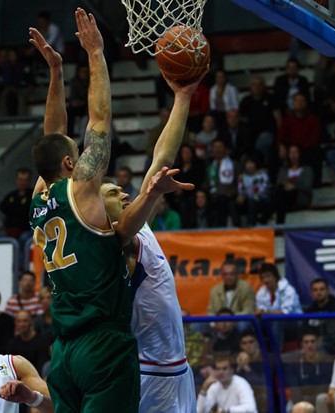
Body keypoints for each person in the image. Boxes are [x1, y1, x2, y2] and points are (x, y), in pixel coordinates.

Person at [28, 11, 150, 412]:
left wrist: (57, 73)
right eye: (76, 156)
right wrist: (96, 53)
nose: (82, 160)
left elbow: (53, 135)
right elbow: (99, 118)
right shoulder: (81, 189)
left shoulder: (39, 198)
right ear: (69, 165)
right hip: (103, 345)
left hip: (63, 353)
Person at [99, 66, 205, 412]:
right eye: (115, 193)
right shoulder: (113, 241)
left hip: (177, 369)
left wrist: (182, 97)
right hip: (150, 373)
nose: (125, 194)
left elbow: (162, 156)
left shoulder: (138, 224)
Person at [283, 331, 334, 407]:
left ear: (318, 344)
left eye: (312, 342)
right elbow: (295, 390)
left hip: (320, 402)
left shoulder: (326, 363)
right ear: (302, 345)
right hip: (300, 403)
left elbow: (324, 388)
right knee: (290, 407)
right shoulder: (294, 364)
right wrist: (303, 405)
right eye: (306, 342)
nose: (309, 345)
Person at [304, 278, 335, 356]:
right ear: (311, 293)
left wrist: (321, 340)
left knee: (320, 348)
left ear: (328, 291)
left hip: (333, 346)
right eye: (315, 290)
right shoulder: (308, 312)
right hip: (312, 344)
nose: (319, 292)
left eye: (322, 289)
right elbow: (304, 332)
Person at [274, 144, 314, 224]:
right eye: (291, 152)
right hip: (284, 195)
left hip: (300, 196)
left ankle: (277, 224)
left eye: (296, 152)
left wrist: (294, 187)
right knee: (280, 193)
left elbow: (307, 187)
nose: (293, 155)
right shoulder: (283, 170)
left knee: (282, 196)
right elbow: (278, 184)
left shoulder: (307, 169)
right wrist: (285, 186)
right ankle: (279, 224)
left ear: (300, 154)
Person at [6, 310, 50, 374]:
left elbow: (43, 368)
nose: (22, 324)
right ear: (15, 323)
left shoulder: (42, 342)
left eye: (25, 321)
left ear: (31, 322)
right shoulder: (12, 343)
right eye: (19, 321)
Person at [0, 168, 33, 239]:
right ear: (16, 180)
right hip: (9, 230)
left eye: (25, 180)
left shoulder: (33, 195)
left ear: (29, 181)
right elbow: (3, 207)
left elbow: (26, 211)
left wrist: (14, 209)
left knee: (24, 238)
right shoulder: (10, 196)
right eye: (20, 180)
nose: (22, 183)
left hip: (26, 231)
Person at [236, 156, 270, 226]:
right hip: (247, 199)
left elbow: (262, 190)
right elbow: (241, 191)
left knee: (253, 200)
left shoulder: (262, 175)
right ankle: (238, 227)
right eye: (247, 163)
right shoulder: (242, 177)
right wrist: (241, 195)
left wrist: (249, 194)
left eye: (251, 163)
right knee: (233, 204)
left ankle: (251, 225)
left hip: (261, 199)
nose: (249, 165)